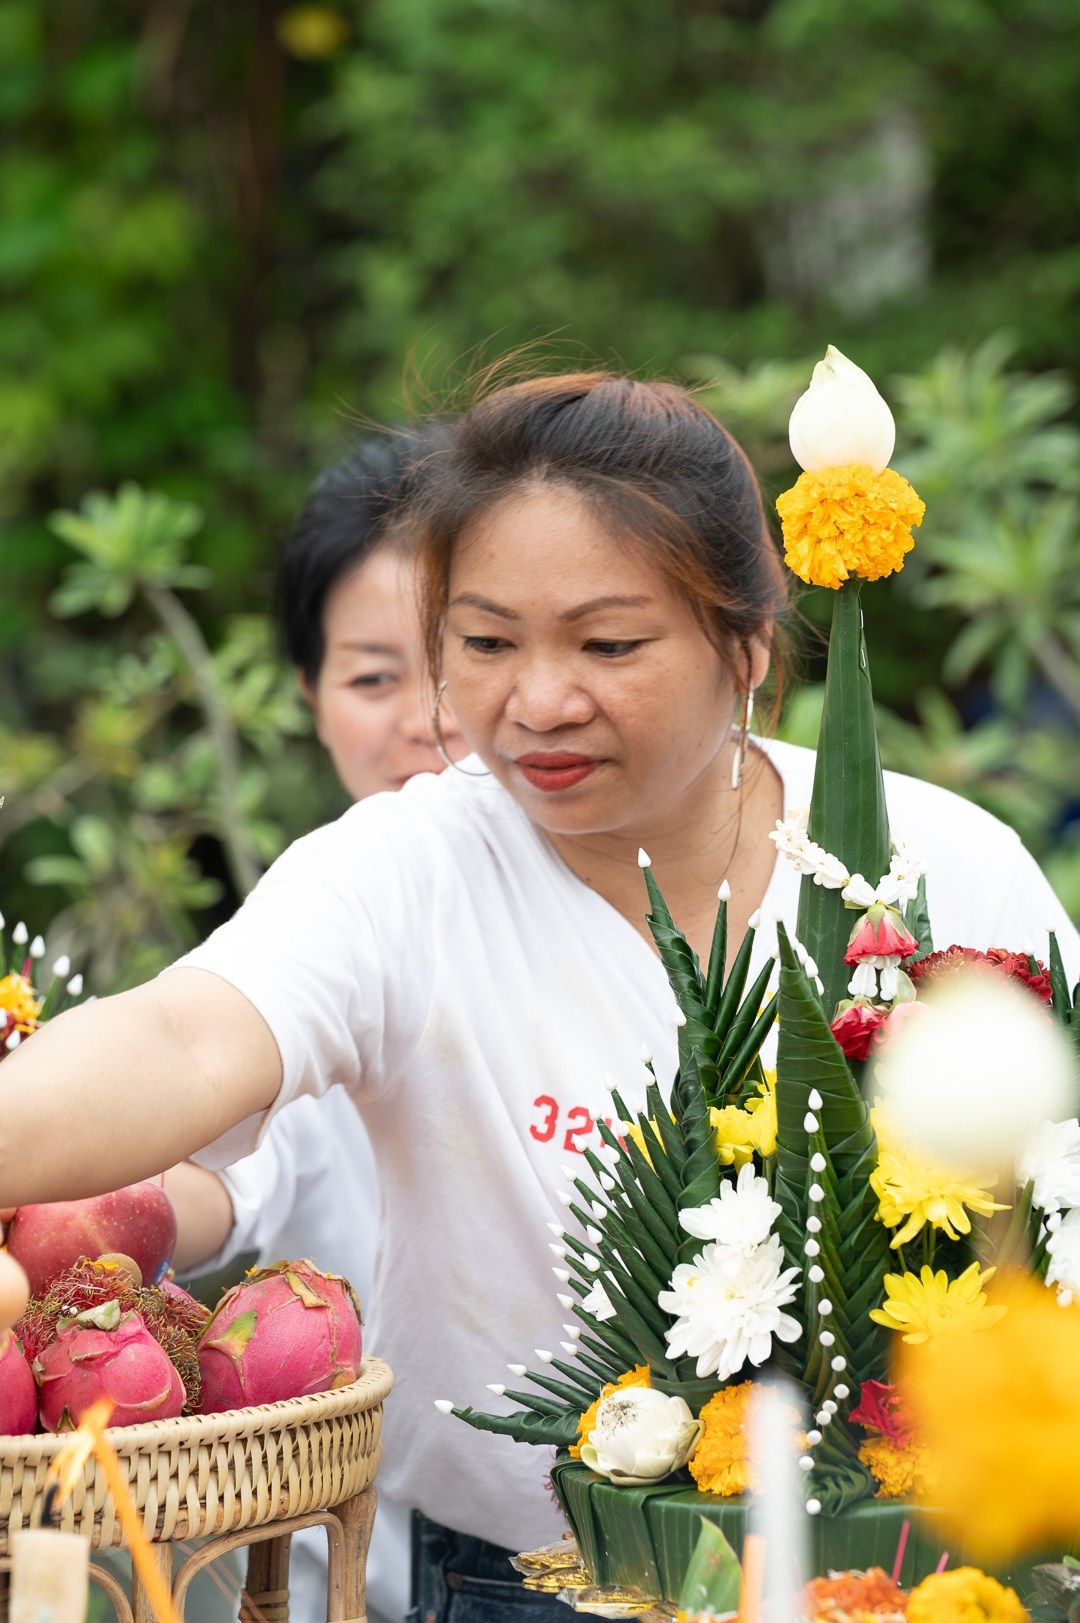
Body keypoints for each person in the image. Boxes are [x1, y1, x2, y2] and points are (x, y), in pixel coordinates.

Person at [3, 373, 1077, 1623]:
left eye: (609, 644)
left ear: (745, 642)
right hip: (524, 1589)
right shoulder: (407, 870)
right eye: (487, 643)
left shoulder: (932, 863)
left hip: (926, 1571)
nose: (538, 702)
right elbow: (186, 1038)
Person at [165, 428, 465, 1623]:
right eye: (372, 676)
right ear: (310, 698)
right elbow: (194, 1172)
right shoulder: (287, 961)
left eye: (464, 659)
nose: (427, 721)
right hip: (376, 1581)